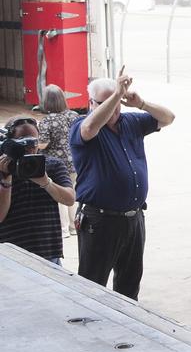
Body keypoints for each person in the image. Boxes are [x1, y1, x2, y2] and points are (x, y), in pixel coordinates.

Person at [72, 68, 176, 300]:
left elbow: (168, 118)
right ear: (91, 103)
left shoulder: (131, 122)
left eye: (118, 102)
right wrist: (116, 94)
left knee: (129, 286)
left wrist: (142, 104)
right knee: (92, 286)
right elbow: (89, 129)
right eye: (107, 102)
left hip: (133, 218)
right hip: (100, 221)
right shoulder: (81, 125)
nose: (115, 107)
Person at [0, 116, 76, 266]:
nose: (29, 147)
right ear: (9, 143)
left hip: (47, 252)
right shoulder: (3, 168)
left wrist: (45, 182)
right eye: (23, 142)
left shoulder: (52, 165)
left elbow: (69, 199)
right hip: (11, 255)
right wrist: (6, 178)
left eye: (33, 141)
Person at [37, 84, 81, 237]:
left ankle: (63, 229)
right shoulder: (74, 116)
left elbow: (43, 144)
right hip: (75, 161)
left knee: (59, 195)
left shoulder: (47, 121)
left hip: (56, 165)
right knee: (72, 192)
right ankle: (74, 226)